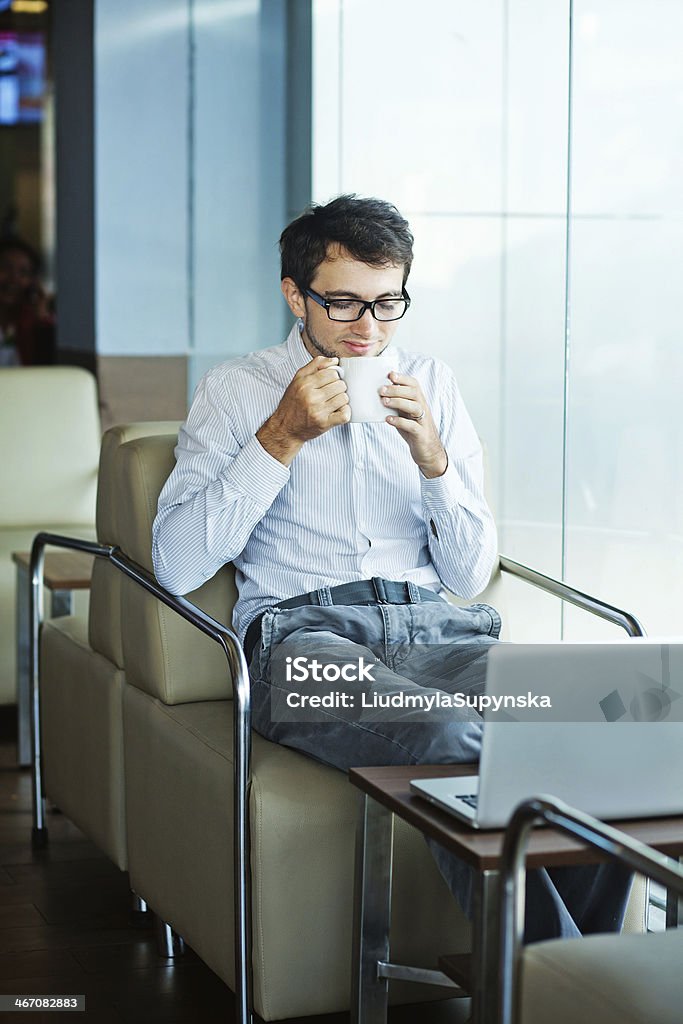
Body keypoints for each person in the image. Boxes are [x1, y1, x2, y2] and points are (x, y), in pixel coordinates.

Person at [152, 194, 631, 942]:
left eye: (387, 303)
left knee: (601, 727)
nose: (367, 328)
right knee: (450, 736)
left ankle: (572, 979)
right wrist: (279, 437)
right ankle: (548, 989)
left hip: (440, 629)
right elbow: (176, 565)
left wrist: (435, 462)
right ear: (294, 294)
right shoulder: (236, 391)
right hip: (301, 642)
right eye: (341, 303)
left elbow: (469, 575)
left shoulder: (431, 384)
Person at [0, 236, 55, 366]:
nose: (13, 279)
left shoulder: (33, 323)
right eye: (5, 268)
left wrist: (41, 317)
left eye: (23, 272)